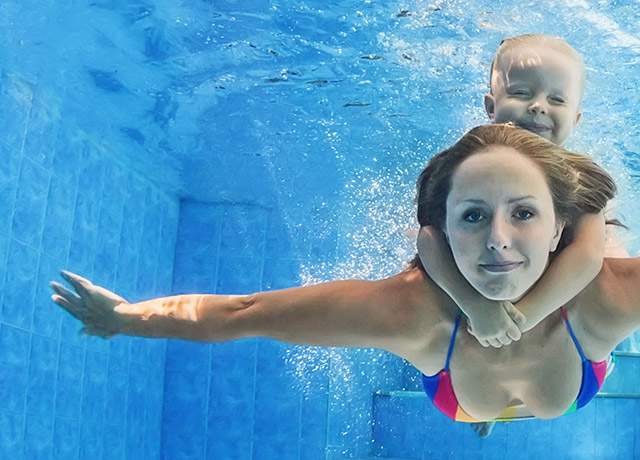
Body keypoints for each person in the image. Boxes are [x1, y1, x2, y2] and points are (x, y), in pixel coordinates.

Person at [50, 124, 638, 430]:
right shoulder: (409, 313)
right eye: (474, 216)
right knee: (484, 418)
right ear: (442, 230)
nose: (498, 241)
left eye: (525, 213)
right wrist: (124, 319)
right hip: (468, 393)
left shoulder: (603, 298)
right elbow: (246, 313)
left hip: (548, 372)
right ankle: (488, 423)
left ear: (562, 226)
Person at [417, 35, 628, 356]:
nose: (538, 106)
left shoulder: (578, 178)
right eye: (520, 93)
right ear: (490, 106)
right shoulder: (467, 166)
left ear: (576, 118)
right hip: (466, 363)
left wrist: (521, 319)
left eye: (557, 100)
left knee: (612, 257)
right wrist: (475, 307)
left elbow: (586, 256)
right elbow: (428, 238)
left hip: (564, 343)